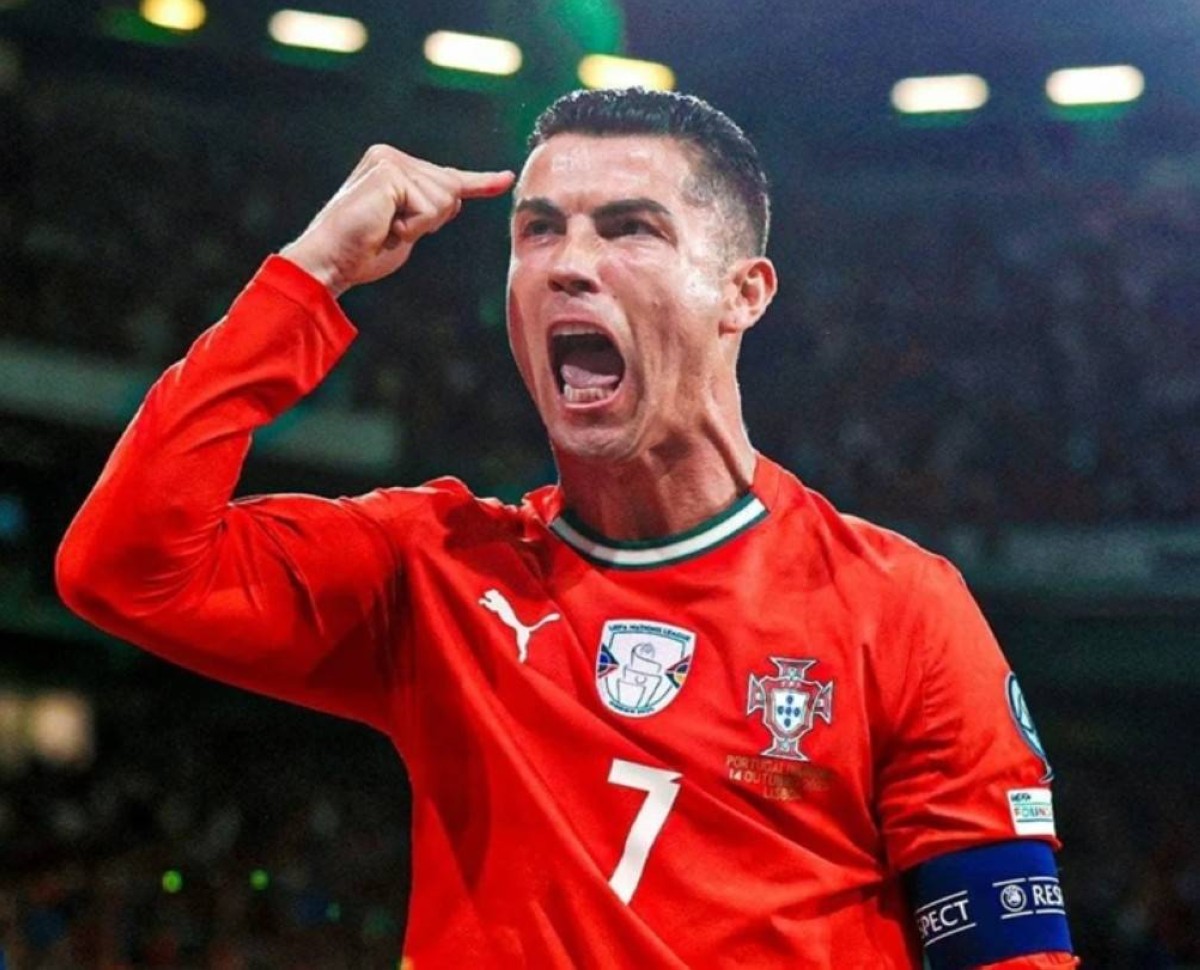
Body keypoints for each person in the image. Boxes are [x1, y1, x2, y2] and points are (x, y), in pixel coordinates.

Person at [56, 88, 1078, 969]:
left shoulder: (898, 608)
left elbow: (1010, 953)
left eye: (630, 228)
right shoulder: (433, 569)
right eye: (538, 230)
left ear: (743, 293)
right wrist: (311, 272)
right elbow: (123, 568)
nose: (566, 264)